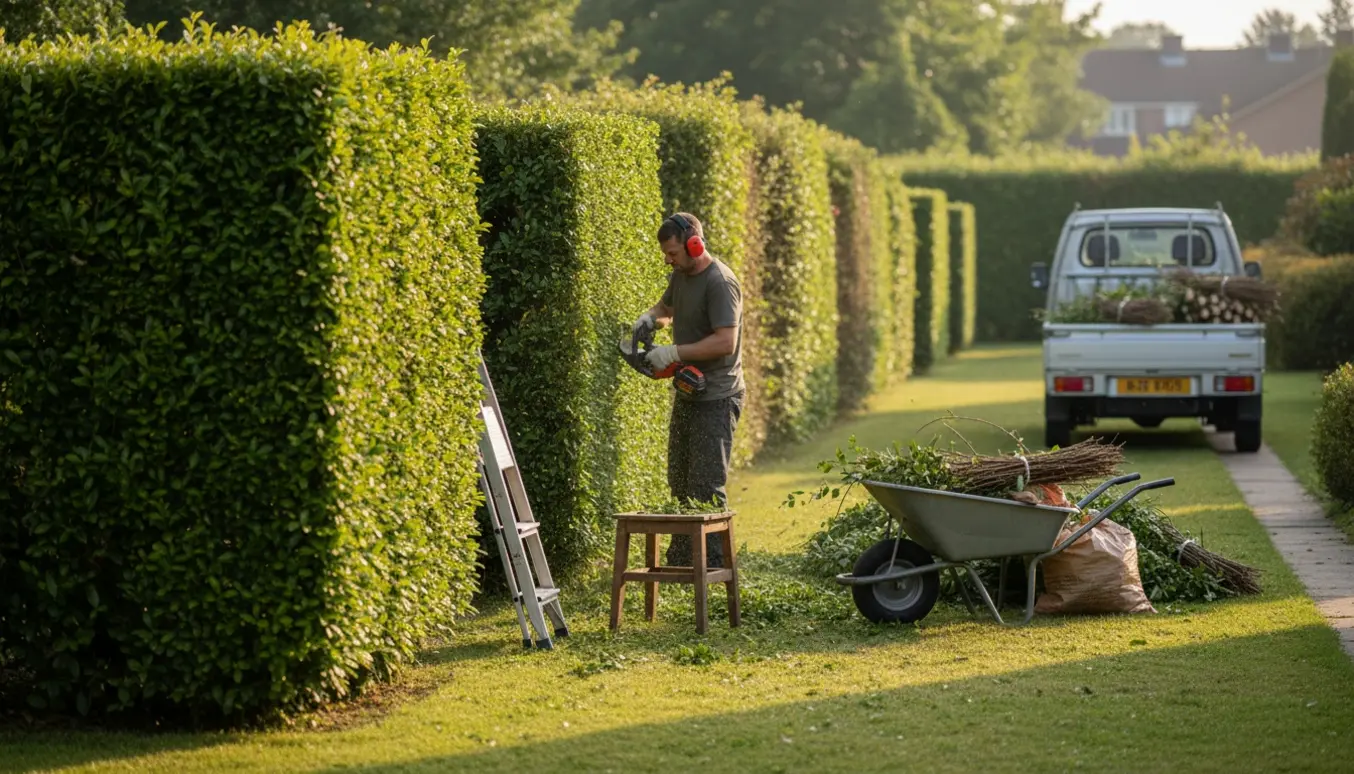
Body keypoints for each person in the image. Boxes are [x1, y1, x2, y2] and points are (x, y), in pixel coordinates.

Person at [632, 212, 744, 568]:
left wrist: (675, 352)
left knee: (707, 485)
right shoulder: (680, 276)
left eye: (673, 253)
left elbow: (726, 341)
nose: (668, 259)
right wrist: (650, 318)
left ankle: (711, 565)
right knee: (679, 478)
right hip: (688, 391)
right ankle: (682, 558)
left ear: (694, 243)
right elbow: (668, 308)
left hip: (718, 395)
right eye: (666, 254)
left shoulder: (720, 282)